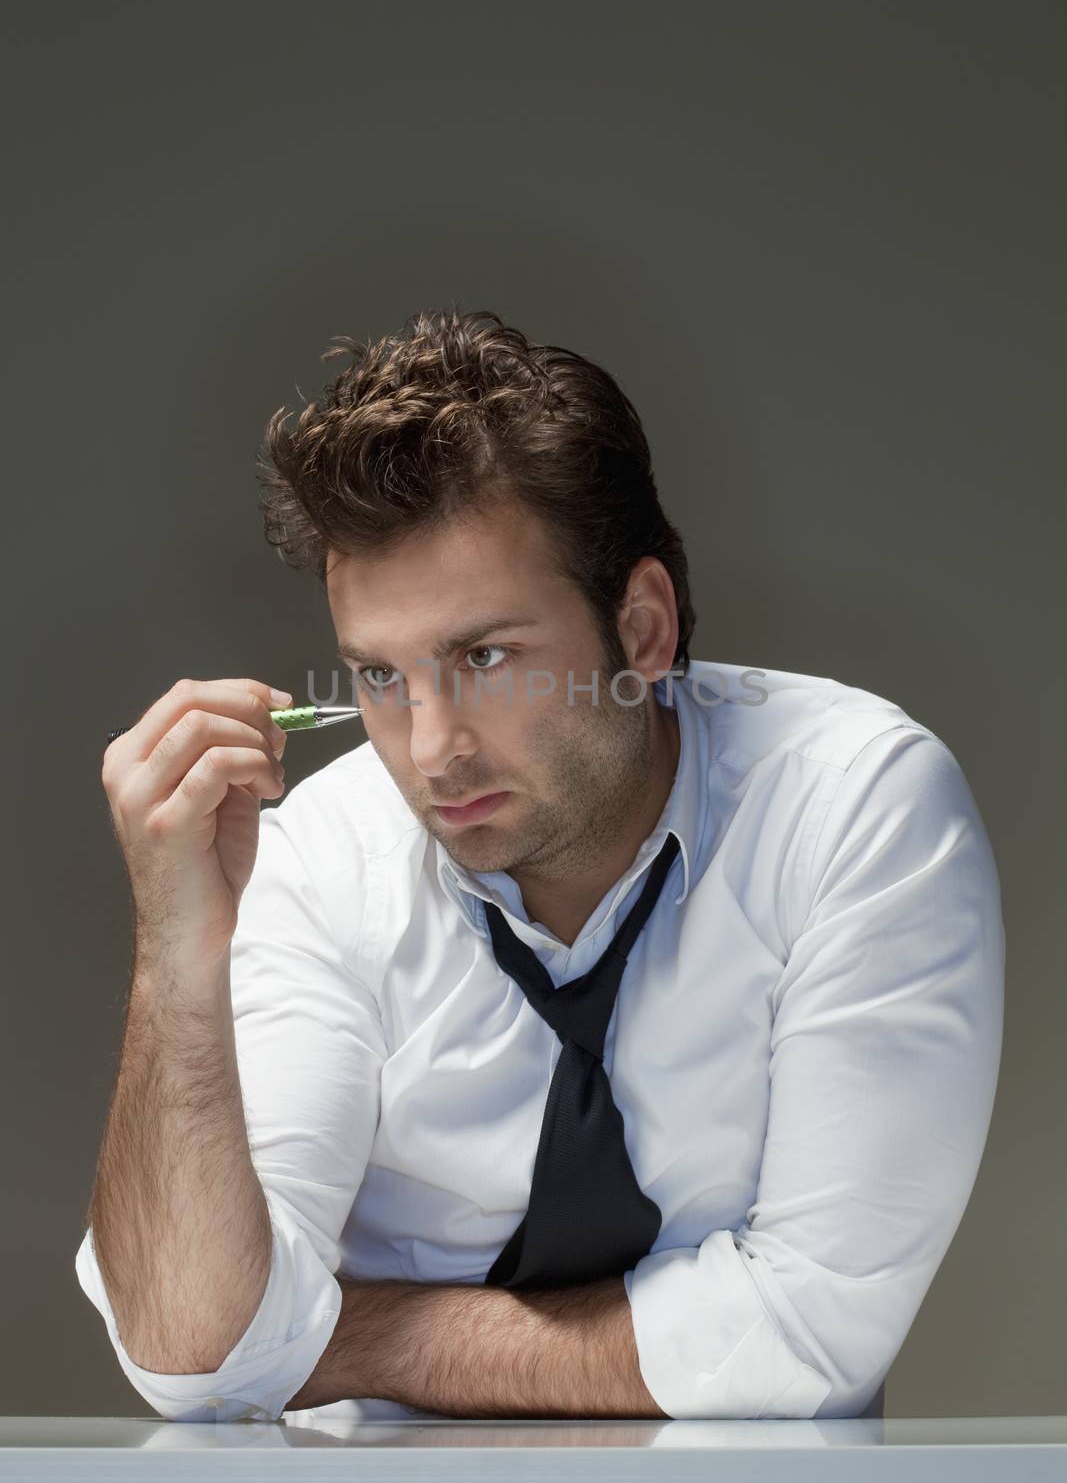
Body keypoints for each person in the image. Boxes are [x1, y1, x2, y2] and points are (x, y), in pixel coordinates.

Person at [75, 308, 1004, 1425]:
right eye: (378, 675)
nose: (431, 750)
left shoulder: (850, 805)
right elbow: (192, 1353)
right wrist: (178, 954)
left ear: (644, 629)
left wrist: (331, 1334)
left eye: (486, 656)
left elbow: (805, 1336)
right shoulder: (326, 856)